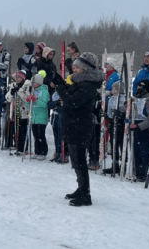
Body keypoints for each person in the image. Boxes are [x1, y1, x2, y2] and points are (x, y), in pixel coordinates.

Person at [55, 52, 104, 206]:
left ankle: (85, 194)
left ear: (85, 69)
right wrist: (61, 83)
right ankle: (81, 188)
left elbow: (72, 101)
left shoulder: (88, 85)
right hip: (73, 125)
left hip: (80, 126)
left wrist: (60, 88)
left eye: (77, 66)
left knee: (80, 161)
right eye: (74, 66)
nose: (74, 69)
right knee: (76, 161)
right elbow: (69, 95)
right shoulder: (79, 83)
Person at [129, 79, 149, 182]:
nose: (139, 89)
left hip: (146, 130)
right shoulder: (136, 99)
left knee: (144, 151)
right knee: (135, 151)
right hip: (135, 128)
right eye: (138, 87)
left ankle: (144, 172)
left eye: (141, 87)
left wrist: (139, 126)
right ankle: (136, 171)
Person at [5, 70, 31, 154]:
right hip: (15, 111)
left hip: (23, 111)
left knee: (22, 130)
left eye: (19, 77)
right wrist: (12, 93)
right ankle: (17, 146)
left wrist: (19, 91)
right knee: (16, 129)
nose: (17, 79)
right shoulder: (13, 85)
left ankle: (23, 147)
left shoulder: (27, 85)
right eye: (16, 77)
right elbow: (8, 98)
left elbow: (27, 98)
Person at [103, 81, 126, 174]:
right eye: (112, 89)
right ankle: (114, 164)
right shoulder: (111, 98)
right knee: (113, 144)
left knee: (121, 144)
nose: (113, 90)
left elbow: (126, 110)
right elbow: (109, 111)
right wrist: (106, 115)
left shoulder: (123, 98)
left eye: (115, 89)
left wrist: (121, 114)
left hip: (121, 123)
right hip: (113, 122)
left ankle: (123, 165)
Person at [26, 73, 49, 160]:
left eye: (34, 83)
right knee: (35, 135)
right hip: (34, 116)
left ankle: (43, 152)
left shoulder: (44, 91)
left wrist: (36, 100)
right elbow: (30, 105)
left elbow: (44, 104)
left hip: (41, 117)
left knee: (41, 135)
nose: (33, 85)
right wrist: (28, 101)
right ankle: (37, 151)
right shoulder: (32, 90)